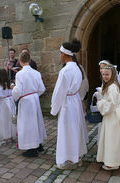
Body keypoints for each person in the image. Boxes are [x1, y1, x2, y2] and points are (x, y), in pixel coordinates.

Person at [51, 39, 88, 170]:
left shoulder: (66, 71)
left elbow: (59, 92)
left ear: (65, 54)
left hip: (67, 103)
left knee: (68, 130)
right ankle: (76, 156)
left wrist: (54, 109)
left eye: (60, 53)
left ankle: (71, 159)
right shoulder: (77, 67)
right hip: (75, 101)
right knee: (75, 129)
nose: (59, 56)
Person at [11, 52, 47, 157]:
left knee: (27, 125)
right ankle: (39, 144)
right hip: (35, 99)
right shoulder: (36, 73)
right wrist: (34, 95)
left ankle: (31, 149)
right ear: (30, 60)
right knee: (36, 122)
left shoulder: (19, 74)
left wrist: (13, 89)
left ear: (20, 61)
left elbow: (18, 91)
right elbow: (42, 89)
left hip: (26, 101)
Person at [96, 64, 120, 170]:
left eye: (107, 74)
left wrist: (100, 103)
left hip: (113, 115)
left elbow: (111, 104)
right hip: (111, 115)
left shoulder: (113, 87)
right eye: (103, 74)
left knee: (112, 139)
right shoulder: (109, 85)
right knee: (111, 138)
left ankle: (112, 162)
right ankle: (111, 160)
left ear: (112, 74)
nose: (105, 76)